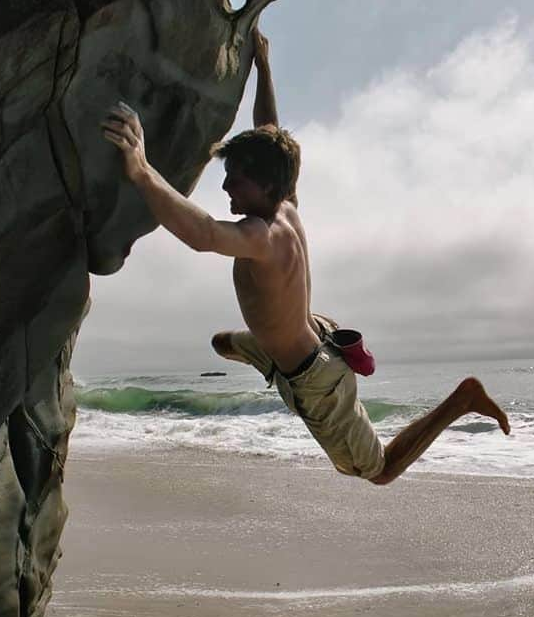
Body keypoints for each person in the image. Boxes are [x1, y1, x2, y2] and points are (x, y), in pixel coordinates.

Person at [101, 27, 509, 484]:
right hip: (307, 336)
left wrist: (139, 168)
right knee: (221, 342)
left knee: (378, 471)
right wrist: (263, 66)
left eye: (235, 178)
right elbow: (269, 130)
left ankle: (463, 399)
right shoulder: (286, 200)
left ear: (265, 185)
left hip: (314, 379)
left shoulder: (262, 235)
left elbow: (202, 233)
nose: (225, 187)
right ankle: (282, 348)